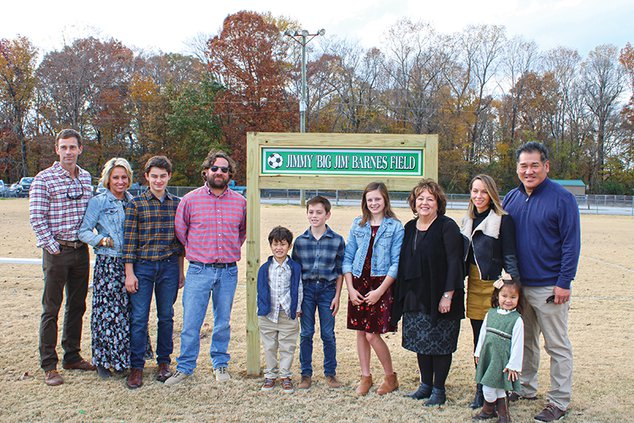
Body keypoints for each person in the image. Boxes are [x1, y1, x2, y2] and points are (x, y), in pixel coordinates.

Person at [503, 141, 580, 422]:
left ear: (546, 166)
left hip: (550, 286)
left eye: (535, 165)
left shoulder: (562, 199)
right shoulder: (511, 198)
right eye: (524, 165)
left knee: (557, 346)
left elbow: (571, 243)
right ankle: (525, 387)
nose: (529, 170)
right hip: (520, 286)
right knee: (526, 342)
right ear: (517, 169)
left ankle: (558, 400)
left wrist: (564, 282)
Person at [165, 150, 247, 386]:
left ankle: (220, 363)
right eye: (215, 168)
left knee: (223, 321)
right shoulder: (190, 200)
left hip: (228, 271)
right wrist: (199, 252)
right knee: (191, 321)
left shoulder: (240, 202)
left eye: (224, 169)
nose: (219, 172)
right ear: (206, 172)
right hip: (199, 270)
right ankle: (185, 367)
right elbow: (181, 232)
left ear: (230, 174)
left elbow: (241, 233)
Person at [29, 128, 96, 386]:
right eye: (64, 147)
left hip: (80, 251)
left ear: (80, 149)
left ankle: (72, 355)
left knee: (77, 306)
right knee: (51, 308)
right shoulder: (44, 179)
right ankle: (49, 364)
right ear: (57, 150)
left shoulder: (86, 178)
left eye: (73, 147)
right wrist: (53, 247)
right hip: (57, 252)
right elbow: (37, 218)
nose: (69, 152)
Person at [391, 179, 464, 406]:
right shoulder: (409, 228)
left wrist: (448, 294)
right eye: (420, 198)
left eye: (429, 199)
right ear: (414, 202)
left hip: (440, 295)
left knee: (440, 344)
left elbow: (454, 262)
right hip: (416, 295)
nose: (424, 203)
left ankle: (439, 389)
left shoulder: (447, 226)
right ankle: (425, 385)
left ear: (438, 203)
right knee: (422, 342)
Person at [123, 156, 184, 389]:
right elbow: (129, 242)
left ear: (169, 177)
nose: (158, 180)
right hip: (143, 267)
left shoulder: (177, 203)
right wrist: (130, 273)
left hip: (168, 266)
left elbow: (180, 243)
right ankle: (136, 366)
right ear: (147, 177)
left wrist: (180, 271)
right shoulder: (136, 204)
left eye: (163, 176)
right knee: (139, 317)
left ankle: (163, 363)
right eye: (154, 176)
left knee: (166, 316)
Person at [460, 174, 520, 409]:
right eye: (475, 191)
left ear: (492, 194)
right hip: (474, 286)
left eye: (484, 191)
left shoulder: (503, 220)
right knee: (480, 341)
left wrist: (512, 287)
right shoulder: (467, 220)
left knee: (497, 342)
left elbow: (510, 255)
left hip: (495, 287)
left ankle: (500, 392)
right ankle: (481, 389)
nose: (478, 196)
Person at [343, 182, 404, 396]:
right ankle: (366, 376)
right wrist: (350, 289)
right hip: (359, 282)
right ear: (365, 202)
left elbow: (396, 263)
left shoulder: (395, 227)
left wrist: (380, 291)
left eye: (377, 199)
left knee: (372, 334)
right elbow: (348, 258)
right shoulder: (357, 225)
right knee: (360, 331)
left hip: (381, 284)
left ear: (385, 199)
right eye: (370, 200)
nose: (374, 203)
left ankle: (390, 377)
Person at [78, 158, 135, 378]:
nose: (120, 182)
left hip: (129, 263)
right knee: (106, 314)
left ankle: (124, 359)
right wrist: (101, 240)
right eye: (115, 177)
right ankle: (103, 360)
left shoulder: (132, 201)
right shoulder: (99, 201)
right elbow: (83, 231)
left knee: (126, 313)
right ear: (108, 179)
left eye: (123, 177)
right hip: (108, 264)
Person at [291, 195, 345, 390]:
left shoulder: (337, 240)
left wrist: (337, 296)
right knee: (306, 333)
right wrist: (296, 300)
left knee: (328, 334)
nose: (314, 216)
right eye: (311, 212)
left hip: (327, 291)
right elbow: (295, 273)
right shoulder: (300, 242)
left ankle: (330, 374)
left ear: (327, 215)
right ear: (307, 214)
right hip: (305, 291)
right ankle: (306, 374)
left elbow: (340, 271)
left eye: (319, 212)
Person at [257, 226, 303, 394]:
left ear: (289, 246)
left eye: (283, 244)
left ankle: (285, 376)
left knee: (287, 346)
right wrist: (261, 308)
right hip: (268, 313)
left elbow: (299, 288)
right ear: (270, 245)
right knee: (269, 346)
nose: (279, 248)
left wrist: (297, 308)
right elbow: (260, 289)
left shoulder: (294, 268)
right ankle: (270, 375)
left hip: (287, 313)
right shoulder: (265, 268)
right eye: (275, 244)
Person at [473, 277, 524, 423]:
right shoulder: (491, 313)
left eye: (513, 297)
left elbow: (518, 344)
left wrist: (514, 365)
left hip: (503, 359)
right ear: (497, 296)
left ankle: (490, 410)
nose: (508, 300)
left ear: (519, 299)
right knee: (494, 387)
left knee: (492, 387)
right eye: (504, 296)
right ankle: (499, 414)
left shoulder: (517, 320)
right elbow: (483, 334)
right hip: (489, 356)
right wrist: (478, 352)